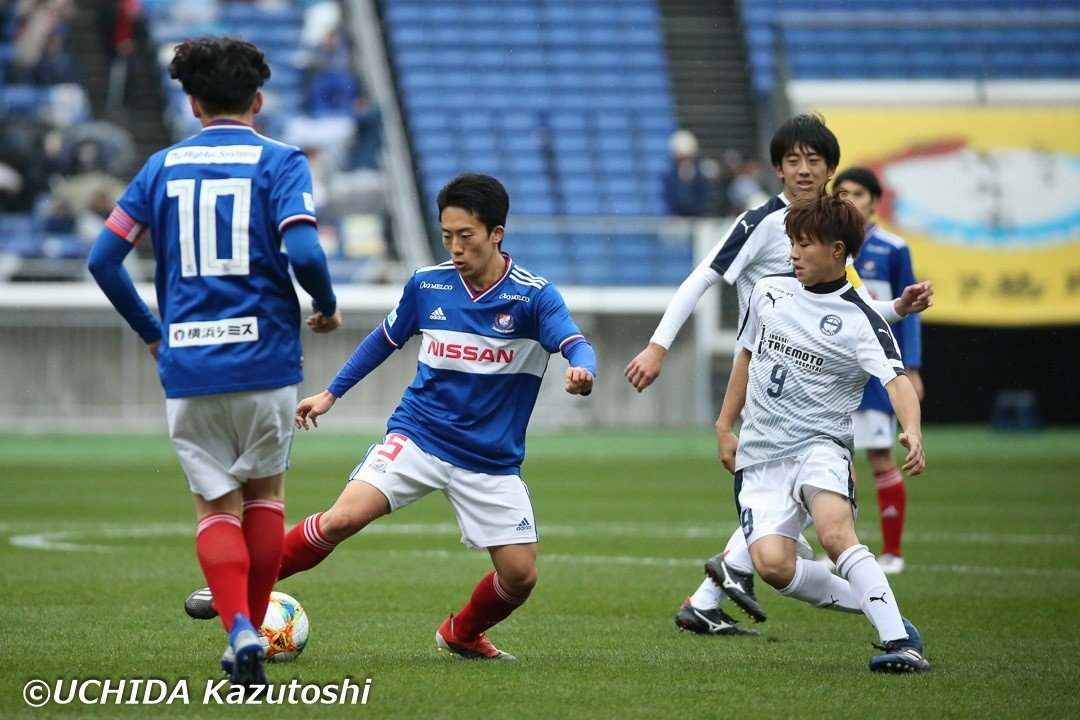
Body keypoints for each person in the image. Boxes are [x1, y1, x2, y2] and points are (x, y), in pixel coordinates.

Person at [184, 173, 598, 662]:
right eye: (447, 236)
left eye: (466, 236)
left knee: (520, 576)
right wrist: (330, 394)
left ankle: (461, 633)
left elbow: (575, 341)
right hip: (419, 436)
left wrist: (582, 369)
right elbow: (384, 339)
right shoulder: (428, 284)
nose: (456, 247)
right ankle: (236, 589)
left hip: (489, 460)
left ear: (496, 234)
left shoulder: (533, 297)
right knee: (341, 518)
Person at [87, 36, 340, 686]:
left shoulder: (161, 167)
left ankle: (238, 632)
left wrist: (153, 332)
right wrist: (326, 303)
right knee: (267, 496)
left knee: (214, 507)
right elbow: (307, 254)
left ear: (193, 101)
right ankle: (250, 633)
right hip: (267, 361)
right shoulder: (281, 161)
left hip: (191, 365)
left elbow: (103, 260)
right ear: (258, 99)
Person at [623, 114, 933, 635]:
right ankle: (744, 577)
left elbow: (845, 310)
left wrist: (897, 309)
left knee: (804, 510)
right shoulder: (762, 222)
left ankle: (713, 591)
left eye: (815, 161)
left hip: (814, 390)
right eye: (793, 161)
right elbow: (703, 278)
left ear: (831, 168)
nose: (804, 170)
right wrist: (659, 346)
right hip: (767, 385)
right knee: (805, 507)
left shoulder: (833, 232)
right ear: (777, 169)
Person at [719, 193, 929, 672]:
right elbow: (745, 359)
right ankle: (882, 609)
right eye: (792, 241)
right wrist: (723, 424)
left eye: (805, 243)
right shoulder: (767, 292)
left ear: (837, 250)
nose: (793, 252)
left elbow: (896, 381)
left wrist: (912, 431)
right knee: (772, 565)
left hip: (821, 446)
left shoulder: (862, 318)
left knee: (836, 534)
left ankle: (900, 643)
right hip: (760, 453)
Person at [834, 167, 923, 574]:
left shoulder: (892, 248)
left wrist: (912, 367)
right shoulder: (829, 246)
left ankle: (892, 553)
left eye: (857, 193)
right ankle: (842, 547)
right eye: (842, 193)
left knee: (880, 457)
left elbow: (909, 313)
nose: (849, 200)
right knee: (836, 461)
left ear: (874, 200)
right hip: (834, 371)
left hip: (874, 374)